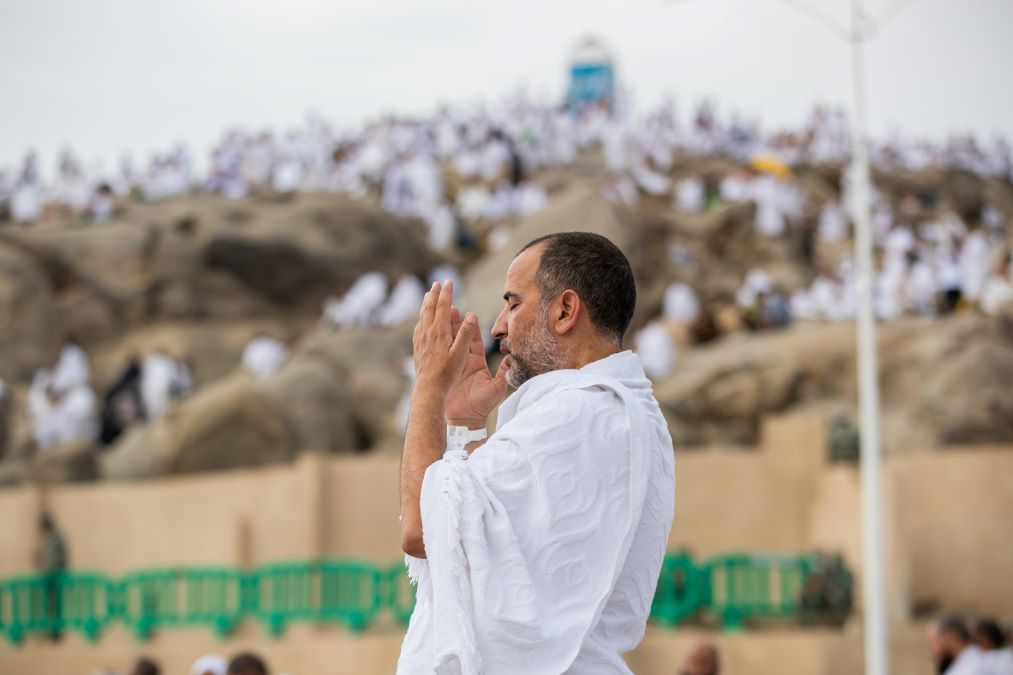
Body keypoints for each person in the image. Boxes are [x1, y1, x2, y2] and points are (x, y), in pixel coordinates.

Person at [398, 232, 676, 674]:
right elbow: (475, 531)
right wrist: (465, 420)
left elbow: (421, 530)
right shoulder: (616, 410)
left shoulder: (584, 410)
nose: (498, 327)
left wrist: (429, 384)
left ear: (564, 310)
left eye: (513, 304)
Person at [36, 513, 67, 640]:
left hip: (55, 577)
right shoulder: (51, 537)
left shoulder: (55, 537)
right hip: (50, 577)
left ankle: (55, 633)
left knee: (55, 606)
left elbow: (56, 560)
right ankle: (52, 632)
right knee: (50, 606)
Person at [930, 614, 995, 675]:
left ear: (951, 636)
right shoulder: (965, 664)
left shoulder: (972, 668)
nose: (932, 649)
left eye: (935, 641)